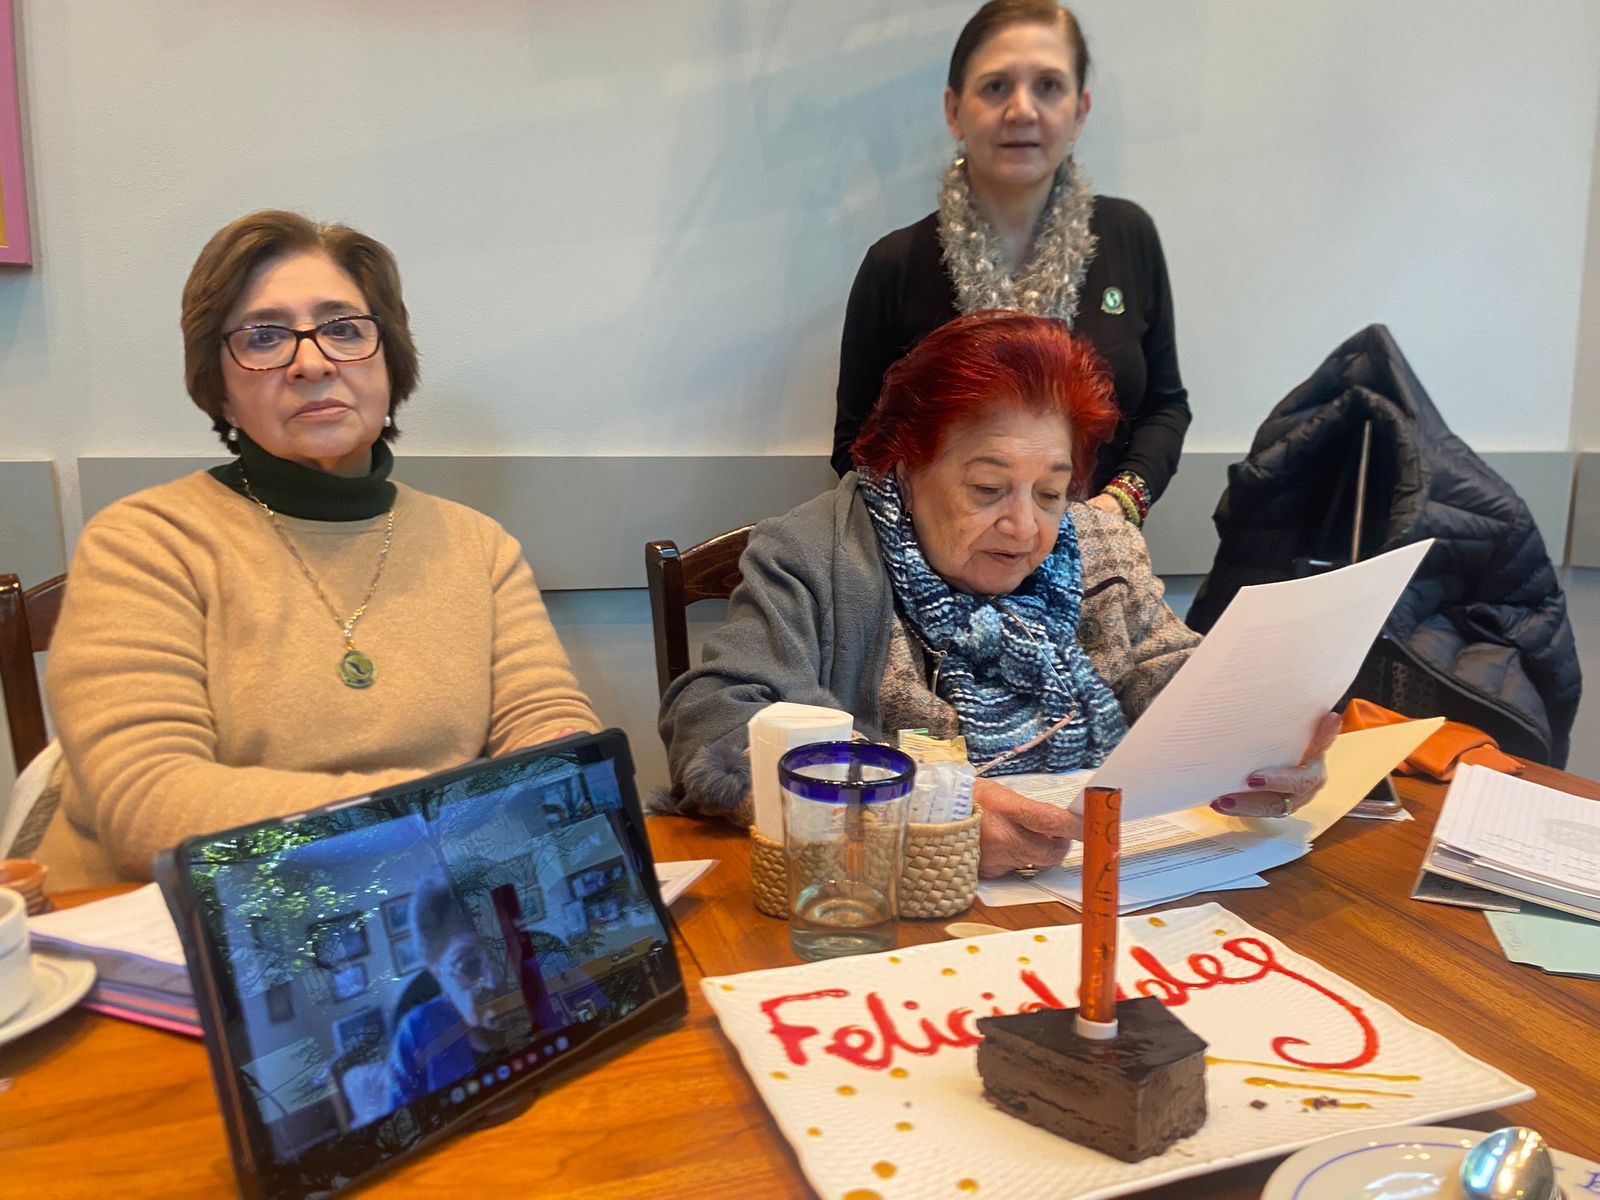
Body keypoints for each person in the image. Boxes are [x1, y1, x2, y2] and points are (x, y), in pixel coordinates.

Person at [37, 211, 599, 889]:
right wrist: (455, 815)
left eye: (343, 329)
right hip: (182, 930)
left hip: (435, 905)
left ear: (390, 360)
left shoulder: (478, 545)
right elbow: (151, 809)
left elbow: (553, 737)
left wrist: (474, 818)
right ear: (218, 385)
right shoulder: (146, 543)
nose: (311, 362)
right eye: (264, 337)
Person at [663, 312, 1335, 877]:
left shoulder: (1101, 543)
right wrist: (924, 810)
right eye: (987, 490)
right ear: (906, 462)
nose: (1023, 526)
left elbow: (1176, 680)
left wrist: (1261, 741)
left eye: (1050, 492)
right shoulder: (818, 553)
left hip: (1107, 889)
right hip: (905, 910)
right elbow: (718, 718)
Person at [831, 0, 1189, 529]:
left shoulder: (1128, 235)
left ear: (1080, 110)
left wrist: (1109, 513)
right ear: (954, 110)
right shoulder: (895, 265)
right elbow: (854, 449)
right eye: (996, 86)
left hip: (1098, 560)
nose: (1022, 110)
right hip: (935, 577)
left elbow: (1165, 405)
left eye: (1048, 85)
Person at [387, 876, 526, 1110]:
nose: (495, 980)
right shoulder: (416, 1034)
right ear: (437, 973)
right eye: (469, 965)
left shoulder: (554, 971)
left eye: (504, 949)